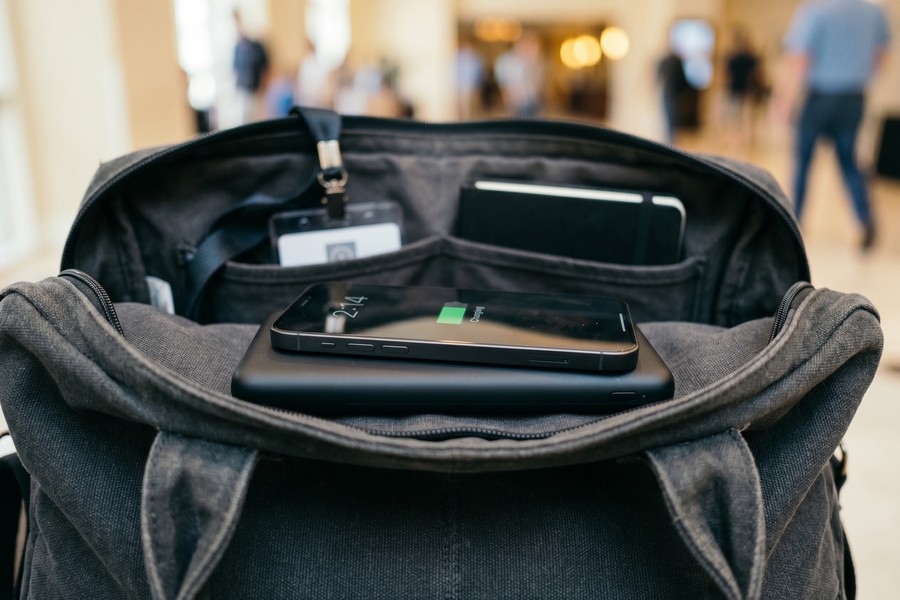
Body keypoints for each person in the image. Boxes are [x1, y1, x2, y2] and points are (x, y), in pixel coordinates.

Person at [775, 0, 891, 250]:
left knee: (804, 160)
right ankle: (866, 220)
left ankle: (795, 222)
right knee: (849, 161)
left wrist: (784, 101)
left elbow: (800, 58)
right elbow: (882, 55)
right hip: (854, 97)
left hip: (820, 96)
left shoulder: (816, 9)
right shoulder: (875, 12)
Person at [723, 27, 760, 145]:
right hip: (740, 90)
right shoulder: (748, 57)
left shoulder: (735, 57)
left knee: (739, 117)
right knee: (739, 117)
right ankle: (740, 140)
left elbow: (726, 76)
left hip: (741, 90)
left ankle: (739, 140)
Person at [494, 32, 544, 118]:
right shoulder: (508, 60)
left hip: (532, 98)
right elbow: (503, 80)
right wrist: (507, 97)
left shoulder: (529, 59)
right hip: (516, 99)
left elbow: (536, 80)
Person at [232, 11, 269, 124]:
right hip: (244, 89)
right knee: (245, 118)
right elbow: (235, 69)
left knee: (257, 118)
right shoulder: (237, 48)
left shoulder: (257, 47)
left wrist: (263, 86)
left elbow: (265, 67)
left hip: (256, 89)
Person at [657, 49, 688, 144]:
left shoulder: (664, 61)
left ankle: (669, 140)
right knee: (673, 119)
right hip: (675, 94)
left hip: (666, 93)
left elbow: (659, 78)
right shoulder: (678, 62)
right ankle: (672, 140)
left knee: (668, 118)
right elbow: (683, 81)